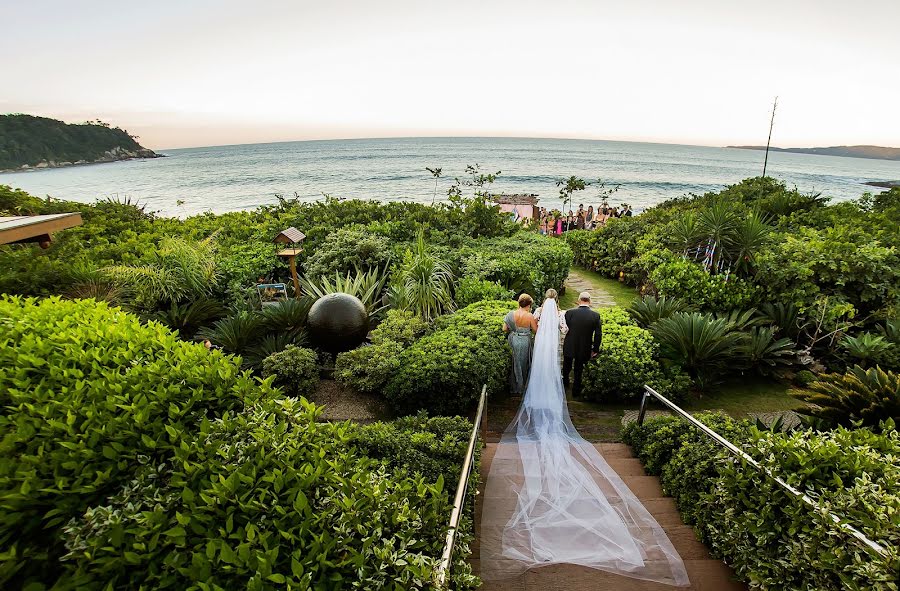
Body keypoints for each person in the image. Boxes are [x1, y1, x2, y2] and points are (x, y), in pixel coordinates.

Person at [481, 289, 689, 585]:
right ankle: (574, 388)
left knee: (554, 371)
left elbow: (547, 328)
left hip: (549, 351)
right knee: (573, 374)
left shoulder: (550, 313)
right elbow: (562, 332)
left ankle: (552, 384)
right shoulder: (579, 315)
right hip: (569, 350)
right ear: (589, 300)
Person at [562, 291, 602, 400]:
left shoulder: (569, 313)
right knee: (578, 369)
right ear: (590, 301)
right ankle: (576, 390)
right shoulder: (595, 316)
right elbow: (598, 334)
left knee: (567, 366)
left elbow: (566, 328)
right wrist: (595, 349)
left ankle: (564, 383)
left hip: (570, 343)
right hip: (585, 346)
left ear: (579, 300)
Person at [502, 293, 537, 394]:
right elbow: (535, 330)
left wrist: (514, 330)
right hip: (525, 341)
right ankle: (522, 386)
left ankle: (514, 385)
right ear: (529, 305)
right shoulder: (530, 316)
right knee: (524, 363)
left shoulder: (510, 314)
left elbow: (504, 329)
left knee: (515, 362)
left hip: (513, 340)